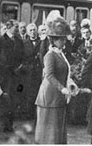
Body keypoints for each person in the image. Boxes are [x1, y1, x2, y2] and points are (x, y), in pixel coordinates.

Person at [34, 16, 77, 144]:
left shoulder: (60, 54)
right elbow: (49, 75)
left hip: (57, 97)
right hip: (49, 97)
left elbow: (65, 72)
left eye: (64, 38)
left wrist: (69, 84)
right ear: (54, 40)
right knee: (50, 132)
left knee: (57, 129)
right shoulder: (50, 55)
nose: (64, 41)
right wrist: (62, 89)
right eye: (61, 39)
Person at [0, 19, 25, 129]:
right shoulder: (1, 40)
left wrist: (20, 66)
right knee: (4, 100)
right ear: (9, 27)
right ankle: (3, 125)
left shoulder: (19, 40)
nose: (17, 29)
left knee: (14, 100)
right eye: (16, 27)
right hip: (5, 76)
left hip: (16, 76)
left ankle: (10, 125)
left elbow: (22, 56)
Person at [22, 23, 42, 120]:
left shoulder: (41, 42)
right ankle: (28, 115)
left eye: (34, 30)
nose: (33, 32)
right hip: (28, 71)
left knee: (38, 92)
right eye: (30, 30)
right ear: (27, 32)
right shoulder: (24, 43)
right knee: (29, 93)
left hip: (38, 71)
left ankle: (36, 116)